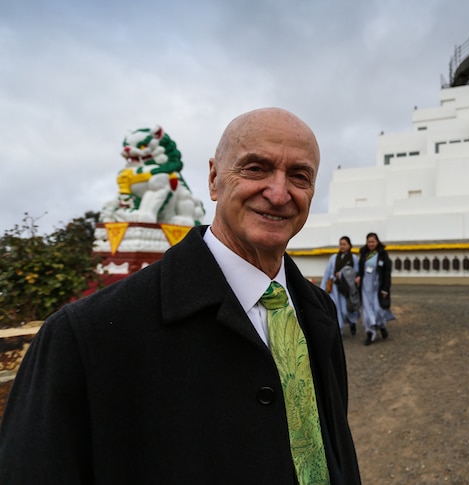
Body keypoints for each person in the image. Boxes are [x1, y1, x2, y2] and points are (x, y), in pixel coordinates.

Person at [0, 108, 362, 484]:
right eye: (255, 169)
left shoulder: (318, 311)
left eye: (299, 176)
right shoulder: (85, 336)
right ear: (213, 179)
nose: (278, 192)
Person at [356, 232, 395, 346]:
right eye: (369, 242)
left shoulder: (382, 254)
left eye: (373, 241)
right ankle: (370, 333)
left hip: (377, 287)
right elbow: (361, 268)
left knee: (378, 310)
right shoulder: (364, 253)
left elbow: (387, 273)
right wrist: (359, 276)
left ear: (377, 242)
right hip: (365, 288)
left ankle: (381, 326)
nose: (371, 244)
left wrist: (385, 289)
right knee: (367, 312)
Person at [320, 236, 360, 336]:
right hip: (335, 288)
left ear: (349, 245)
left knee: (346, 309)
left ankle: (352, 322)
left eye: (344, 244)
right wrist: (323, 286)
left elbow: (356, 272)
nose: (342, 246)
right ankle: (339, 329)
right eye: (340, 244)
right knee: (336, 309)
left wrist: (343, 274)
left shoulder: (353, 258)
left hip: (347, 288)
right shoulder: (334, 258)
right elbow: (328, 272)